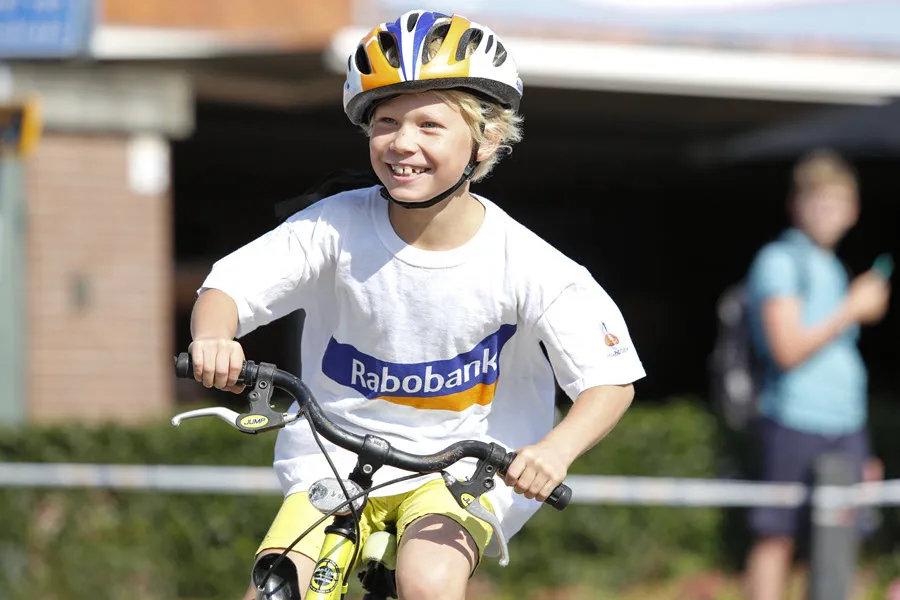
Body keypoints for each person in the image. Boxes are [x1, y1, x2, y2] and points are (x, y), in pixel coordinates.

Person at [187, 10, 646, 600]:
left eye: (430, 124)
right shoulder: (333, 226)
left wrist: (556, 451)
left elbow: (610, 380)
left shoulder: (529, 264)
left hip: (461, 471)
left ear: (487, 140)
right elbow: (227, 289)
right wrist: (215, 337)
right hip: (332, 459)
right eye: (386, 122)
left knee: (427, 581)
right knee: (276, 591)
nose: (403, 142)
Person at [743, 149, 891, 600]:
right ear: (797, 205)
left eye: (836, 202)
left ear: (853, 210)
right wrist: (852, 308)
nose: (827, 212)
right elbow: (787, 349)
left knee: (840, 541)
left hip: (845, 426)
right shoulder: (780, 260)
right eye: (818, 202)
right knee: (776, 537)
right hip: (793, 420)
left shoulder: (832, 266)